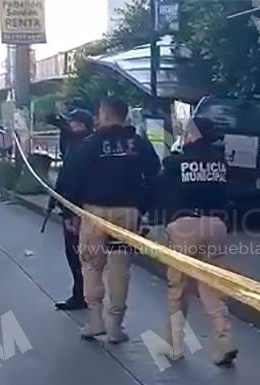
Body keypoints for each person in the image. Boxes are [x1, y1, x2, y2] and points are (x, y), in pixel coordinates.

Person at [65, 97, 160, 343]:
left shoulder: (89, 144)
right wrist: (143, 209)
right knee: (119, 267)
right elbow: (154, 177)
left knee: (91, 265)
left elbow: (71, 178)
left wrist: (70, 213)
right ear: (125, 116)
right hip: (126, 214)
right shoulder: (138, 144)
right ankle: (116, 326)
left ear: (105, 115)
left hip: (94, 213)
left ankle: (95, 320)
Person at [156, 117, 237, 366]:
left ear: (192, 135)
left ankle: (174, 344)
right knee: (211, 287)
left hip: (185, 226)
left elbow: (161, 192)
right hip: (216, 226)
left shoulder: (174, 163)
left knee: (178, 287)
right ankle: (224, 341)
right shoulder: (221, 162)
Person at [48, 108, 95, 310]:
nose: (71, 127)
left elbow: (72, 179)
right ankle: (81, 293)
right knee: (75, 255)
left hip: (77, 208)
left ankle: (83, 295)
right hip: (72, 205)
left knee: (78, 254)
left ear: (83, 126)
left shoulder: (83, 147)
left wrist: (69, 210)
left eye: (74, 123)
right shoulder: (74, 144)